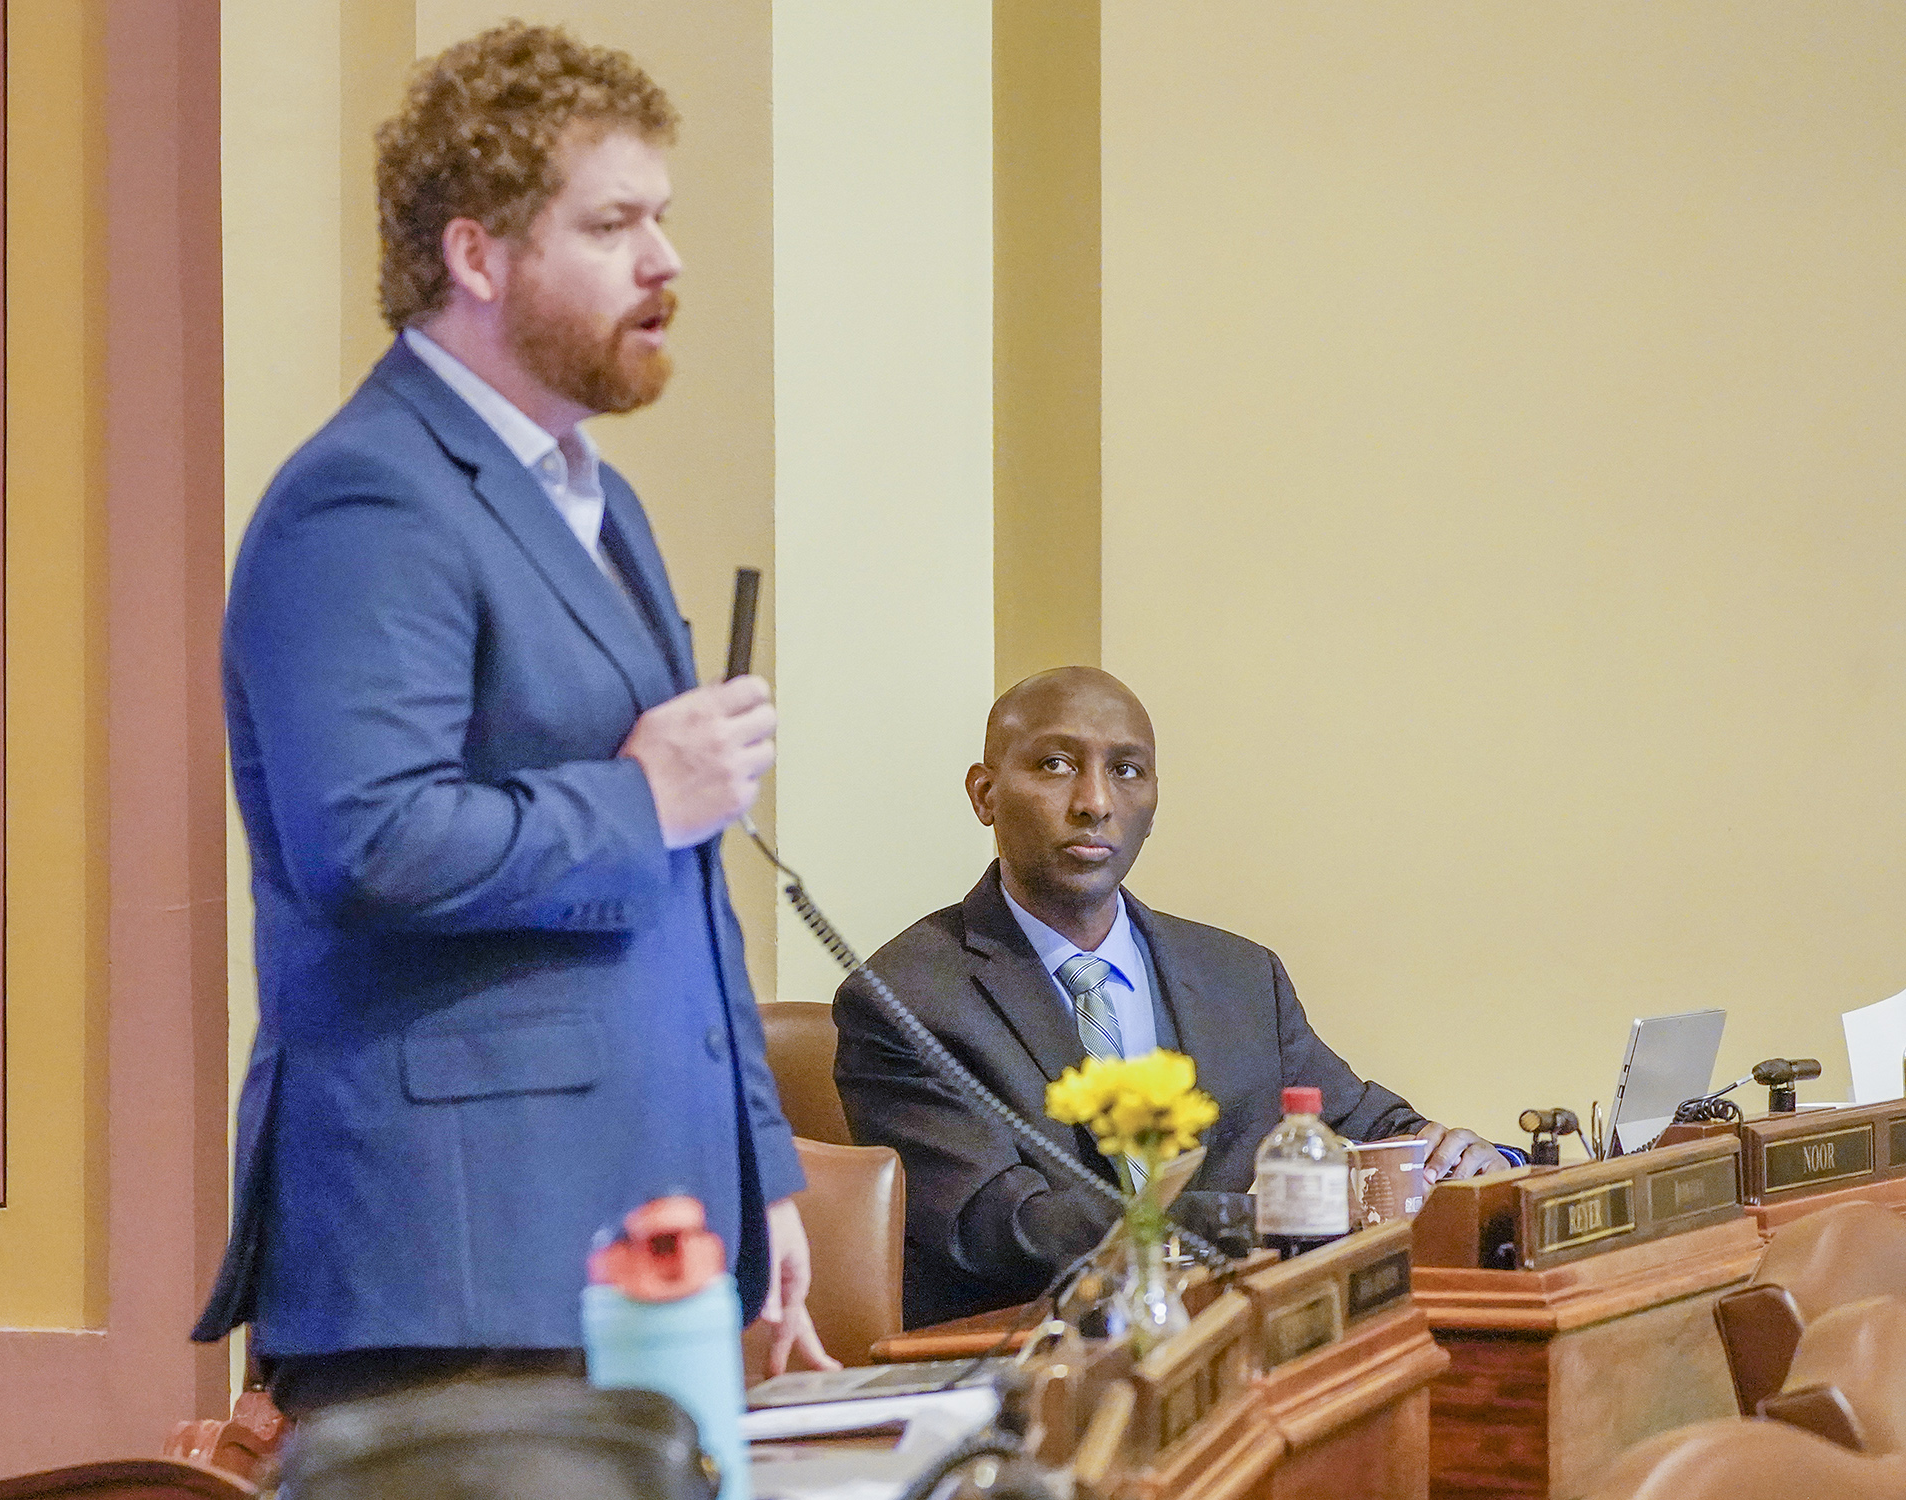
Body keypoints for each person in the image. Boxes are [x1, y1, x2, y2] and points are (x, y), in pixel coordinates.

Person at [193, 22, 830, 1412]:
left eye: (661, 219)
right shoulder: (366, 497)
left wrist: (757, 1172)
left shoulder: (598, 499)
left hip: (629, 1242)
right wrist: (636, 799)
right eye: (613, 225)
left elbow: (688, 875)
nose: (666, 262)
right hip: (455, 1266)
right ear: (479, 257)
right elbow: (363, 842)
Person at [833, 667, 1508, 1327]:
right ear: (984, 795)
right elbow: (1002, 1227)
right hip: (1029, 1367)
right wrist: (1261, 1218)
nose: (1095, 802)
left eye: (1126, 770)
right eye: (1057, 765)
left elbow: (1358, 1125)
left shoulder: (1239, 976)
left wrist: (1452, 1158)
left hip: (1248, 1344)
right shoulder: (906, 998)